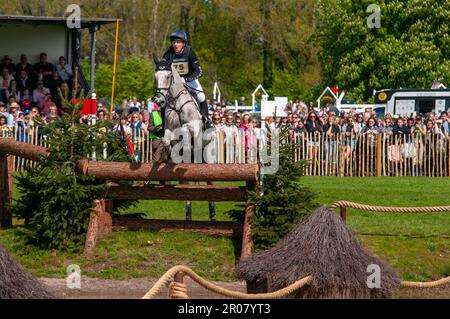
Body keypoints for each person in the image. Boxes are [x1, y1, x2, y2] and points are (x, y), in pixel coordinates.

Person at [162, 29, 211, 128]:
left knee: (201, 96)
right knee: (162, 99)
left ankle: (206, 120)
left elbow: (199, 71)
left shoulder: (189, 52)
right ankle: (163, 125)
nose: (175, 44)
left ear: (183, 43)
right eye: (174, 42)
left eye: (178, 42)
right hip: (174, 83)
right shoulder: (168, 54)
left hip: (189, 80)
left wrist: (187, 79)